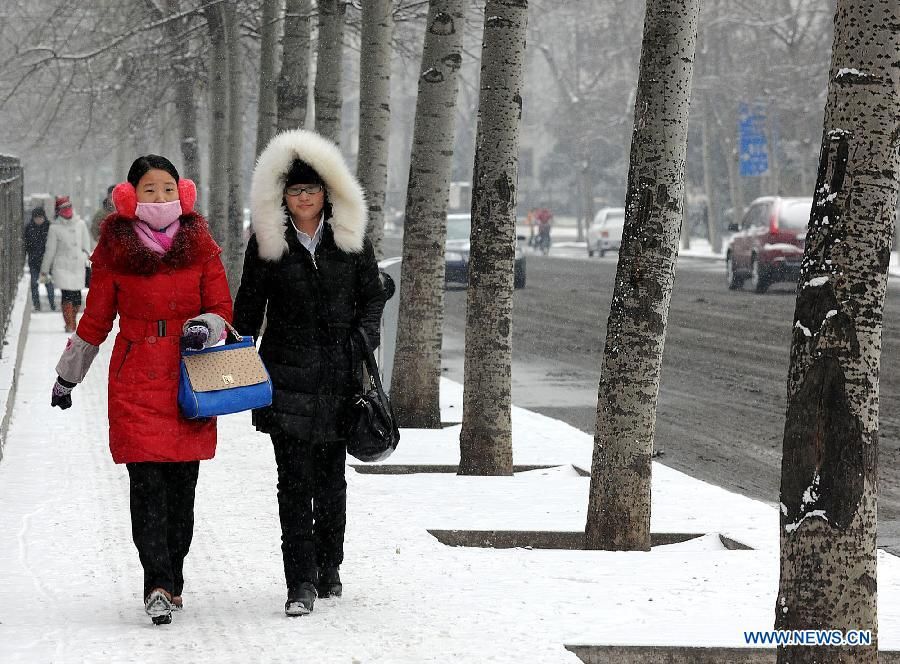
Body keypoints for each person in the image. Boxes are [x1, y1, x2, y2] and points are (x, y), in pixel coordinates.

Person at [49, 155, 233, 625]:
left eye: (167, 188)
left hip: (190, 380)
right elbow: (94, 320)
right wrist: (68, 375)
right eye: (149, 189)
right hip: (135, 381)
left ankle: (174, 574)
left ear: (182, 191)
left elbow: (221, 307)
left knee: (182, 491)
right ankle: (157, 582)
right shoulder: (115, 247)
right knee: (147, 488)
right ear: (130, 195)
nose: (160, 197)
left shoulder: (201, 244)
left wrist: (206, 327)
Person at [233, 130, 386, 617]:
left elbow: (373, 293)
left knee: (332, 482)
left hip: (340, 377)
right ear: (282, 196)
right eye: (295, 191)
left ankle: (329, 567)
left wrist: (364, 337)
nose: (304, 198)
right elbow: (249, 306)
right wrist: (236, 361)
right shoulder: (267, 243)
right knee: (293, 484)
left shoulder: (350, 239)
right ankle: (299, 581)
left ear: (327, 193)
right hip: (285, 377)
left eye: (312, 190)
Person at [40, 196, 94, 332]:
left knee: (77, 297)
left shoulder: (80, 224)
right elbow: (50, 250)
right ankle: (70, 323)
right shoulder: (54, 228)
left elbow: (87, 245)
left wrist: (85, 257)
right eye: (63, 208)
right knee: (67, 295)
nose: (67, 210)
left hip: (78, 266)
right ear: (58, 211)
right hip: (62, 267)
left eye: (68, 207)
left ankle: (72, 320)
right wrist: (44, 270)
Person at [24, 207, 56, 312]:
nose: (38, 220)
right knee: (34, 284)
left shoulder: (49, 227)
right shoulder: (29, 228)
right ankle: (37, 304)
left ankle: (52, 304)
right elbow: (26, 245)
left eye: (40, 218)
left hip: (45, 262)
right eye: (36, 218)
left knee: (48, 284)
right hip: (33, 262)